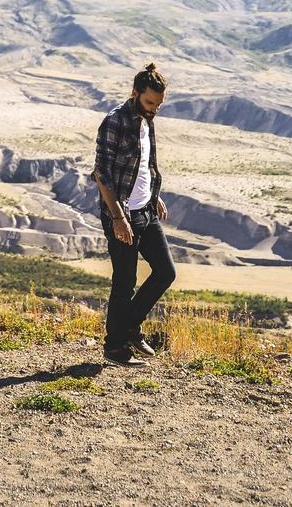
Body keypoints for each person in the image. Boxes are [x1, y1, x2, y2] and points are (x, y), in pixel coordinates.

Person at [88, 61, 176, 367]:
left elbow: (143, 165)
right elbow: (101, 174)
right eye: (150, 102)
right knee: (124, 282)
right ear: (135, 93)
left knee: (166, 272)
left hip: (146, 210)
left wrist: (155, 195)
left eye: (159, 104)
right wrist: (118, 218)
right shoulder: (115, 121)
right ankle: (115, 347)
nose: (154, 109)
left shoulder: (146, 120)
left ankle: (129, 328)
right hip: (121, 214)